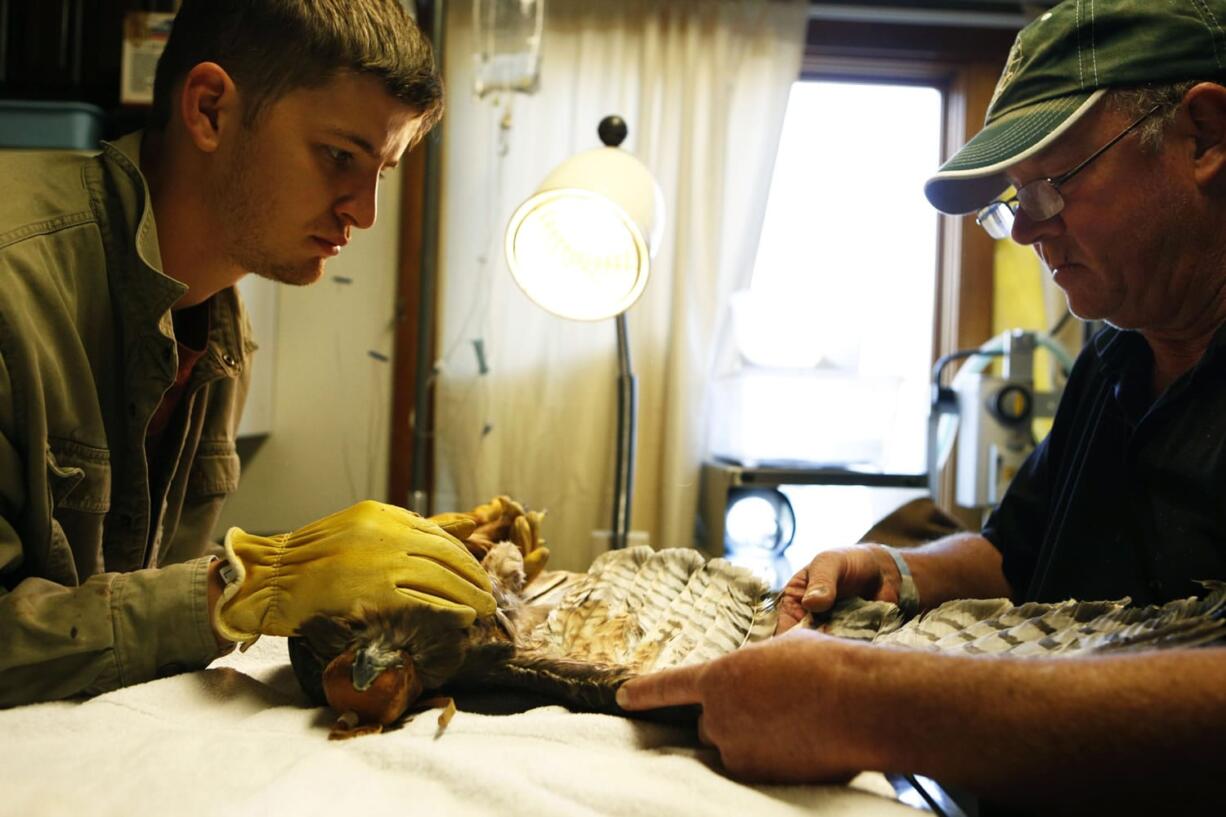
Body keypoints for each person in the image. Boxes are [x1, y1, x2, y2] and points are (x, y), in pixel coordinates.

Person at [618, 1, 1226, 813]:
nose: (1026, 231)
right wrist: (898, 570)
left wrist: (866, 701)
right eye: (1016, 198)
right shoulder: (1116, 353)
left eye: (1053, 184)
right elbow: (1017, 556)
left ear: (1205, 137)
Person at [0, 0, 495, 707]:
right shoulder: (12, 281)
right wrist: (247, 583)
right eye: (339, 157)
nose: (365, 211)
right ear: (208, 110)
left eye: (381, 170)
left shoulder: (222, 331)